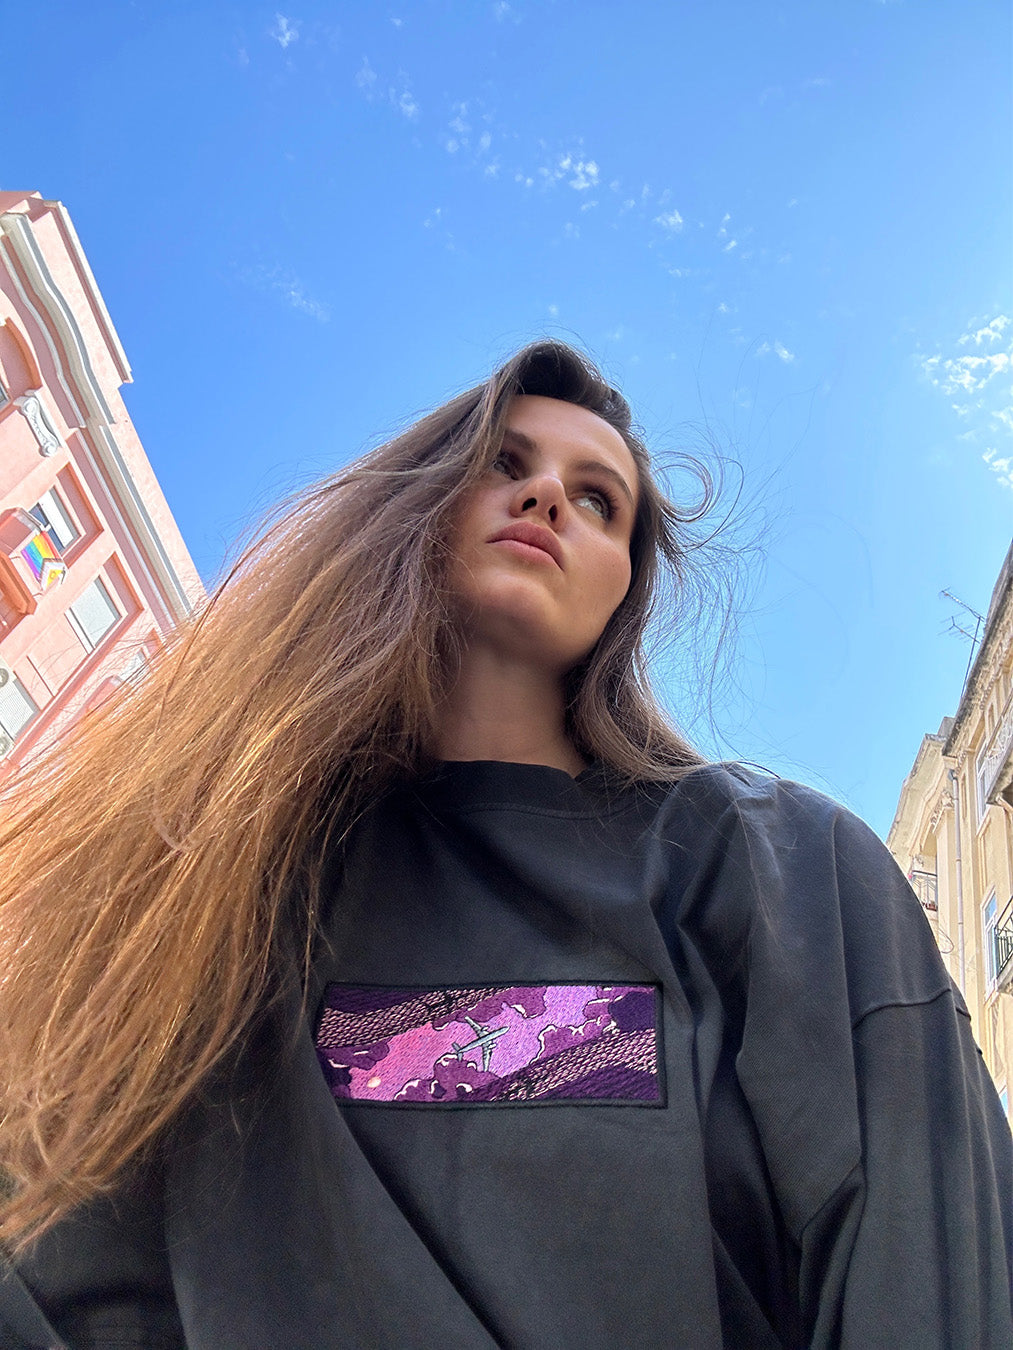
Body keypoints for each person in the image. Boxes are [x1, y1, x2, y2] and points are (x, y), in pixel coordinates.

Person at [0, 340, 1009, 1349]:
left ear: (626, 585)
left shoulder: (779, 867)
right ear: (414, 501)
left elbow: (929, 1269)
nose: (546, 497)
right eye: (502, 463)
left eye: (598, 499)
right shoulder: (191, 903)